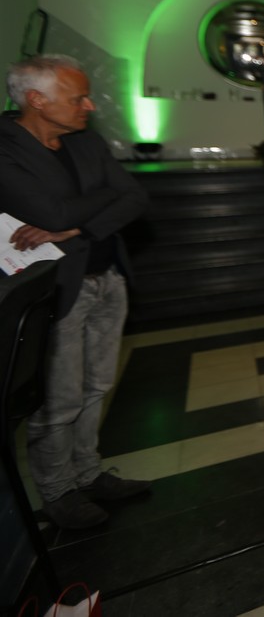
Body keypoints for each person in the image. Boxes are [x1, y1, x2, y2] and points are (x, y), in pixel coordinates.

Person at [0, 55, 151, 530]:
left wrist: (77, 225)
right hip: (56, 288)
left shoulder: (85, 140)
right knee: (58, 399)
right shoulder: (6, 148)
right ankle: (58, 491)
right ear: (37, 100)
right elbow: (54, 212)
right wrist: (88, 209)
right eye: (78, 98)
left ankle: (88, 473)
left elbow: (135, 195)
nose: (89, 106)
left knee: (97, 386)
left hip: (109, 276)